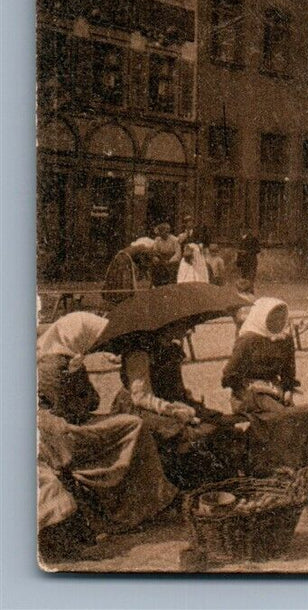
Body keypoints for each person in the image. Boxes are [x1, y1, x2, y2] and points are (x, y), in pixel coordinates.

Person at [37, 313, 176, 556]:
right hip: (63, 435)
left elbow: (86, 402)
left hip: (62, 428)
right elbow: (83, 406)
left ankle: (140, 504)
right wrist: (78, 380)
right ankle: (139, 506)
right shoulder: (54, 365)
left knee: (130, 424)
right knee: (133, 426)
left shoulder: (59, 355)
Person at [110, 321, 244, 489]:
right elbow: (141, 397)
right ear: (167, 325)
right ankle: (182, 486)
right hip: (140, 408)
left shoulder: (171, 349)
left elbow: (175, 389)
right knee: (182, 433)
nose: (189, 329)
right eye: (182, 324)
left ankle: (218, 482)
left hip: (166, 403)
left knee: (215, 422)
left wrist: (189, 405)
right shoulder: (139, 353)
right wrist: (173, 410)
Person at [220, 298, 308, 474]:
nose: (278, 323)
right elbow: (228, 377)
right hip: (248, 392)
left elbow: (289, 372)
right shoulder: (247, 340)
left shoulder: (284, 339)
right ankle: (281, 465)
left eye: (282, 318)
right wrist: (255, 387)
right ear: (262, 317)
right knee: (282, 416)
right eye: (273, 318)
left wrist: (287, 389)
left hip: (277, 389)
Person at [102, 238, 154, 305]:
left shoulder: (135, 247)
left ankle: (116, 296)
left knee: (118, 277)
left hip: (119, 256)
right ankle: (123, 298)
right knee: (124, 279)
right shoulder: (143, 248)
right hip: (125, 258)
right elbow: (141, 260)